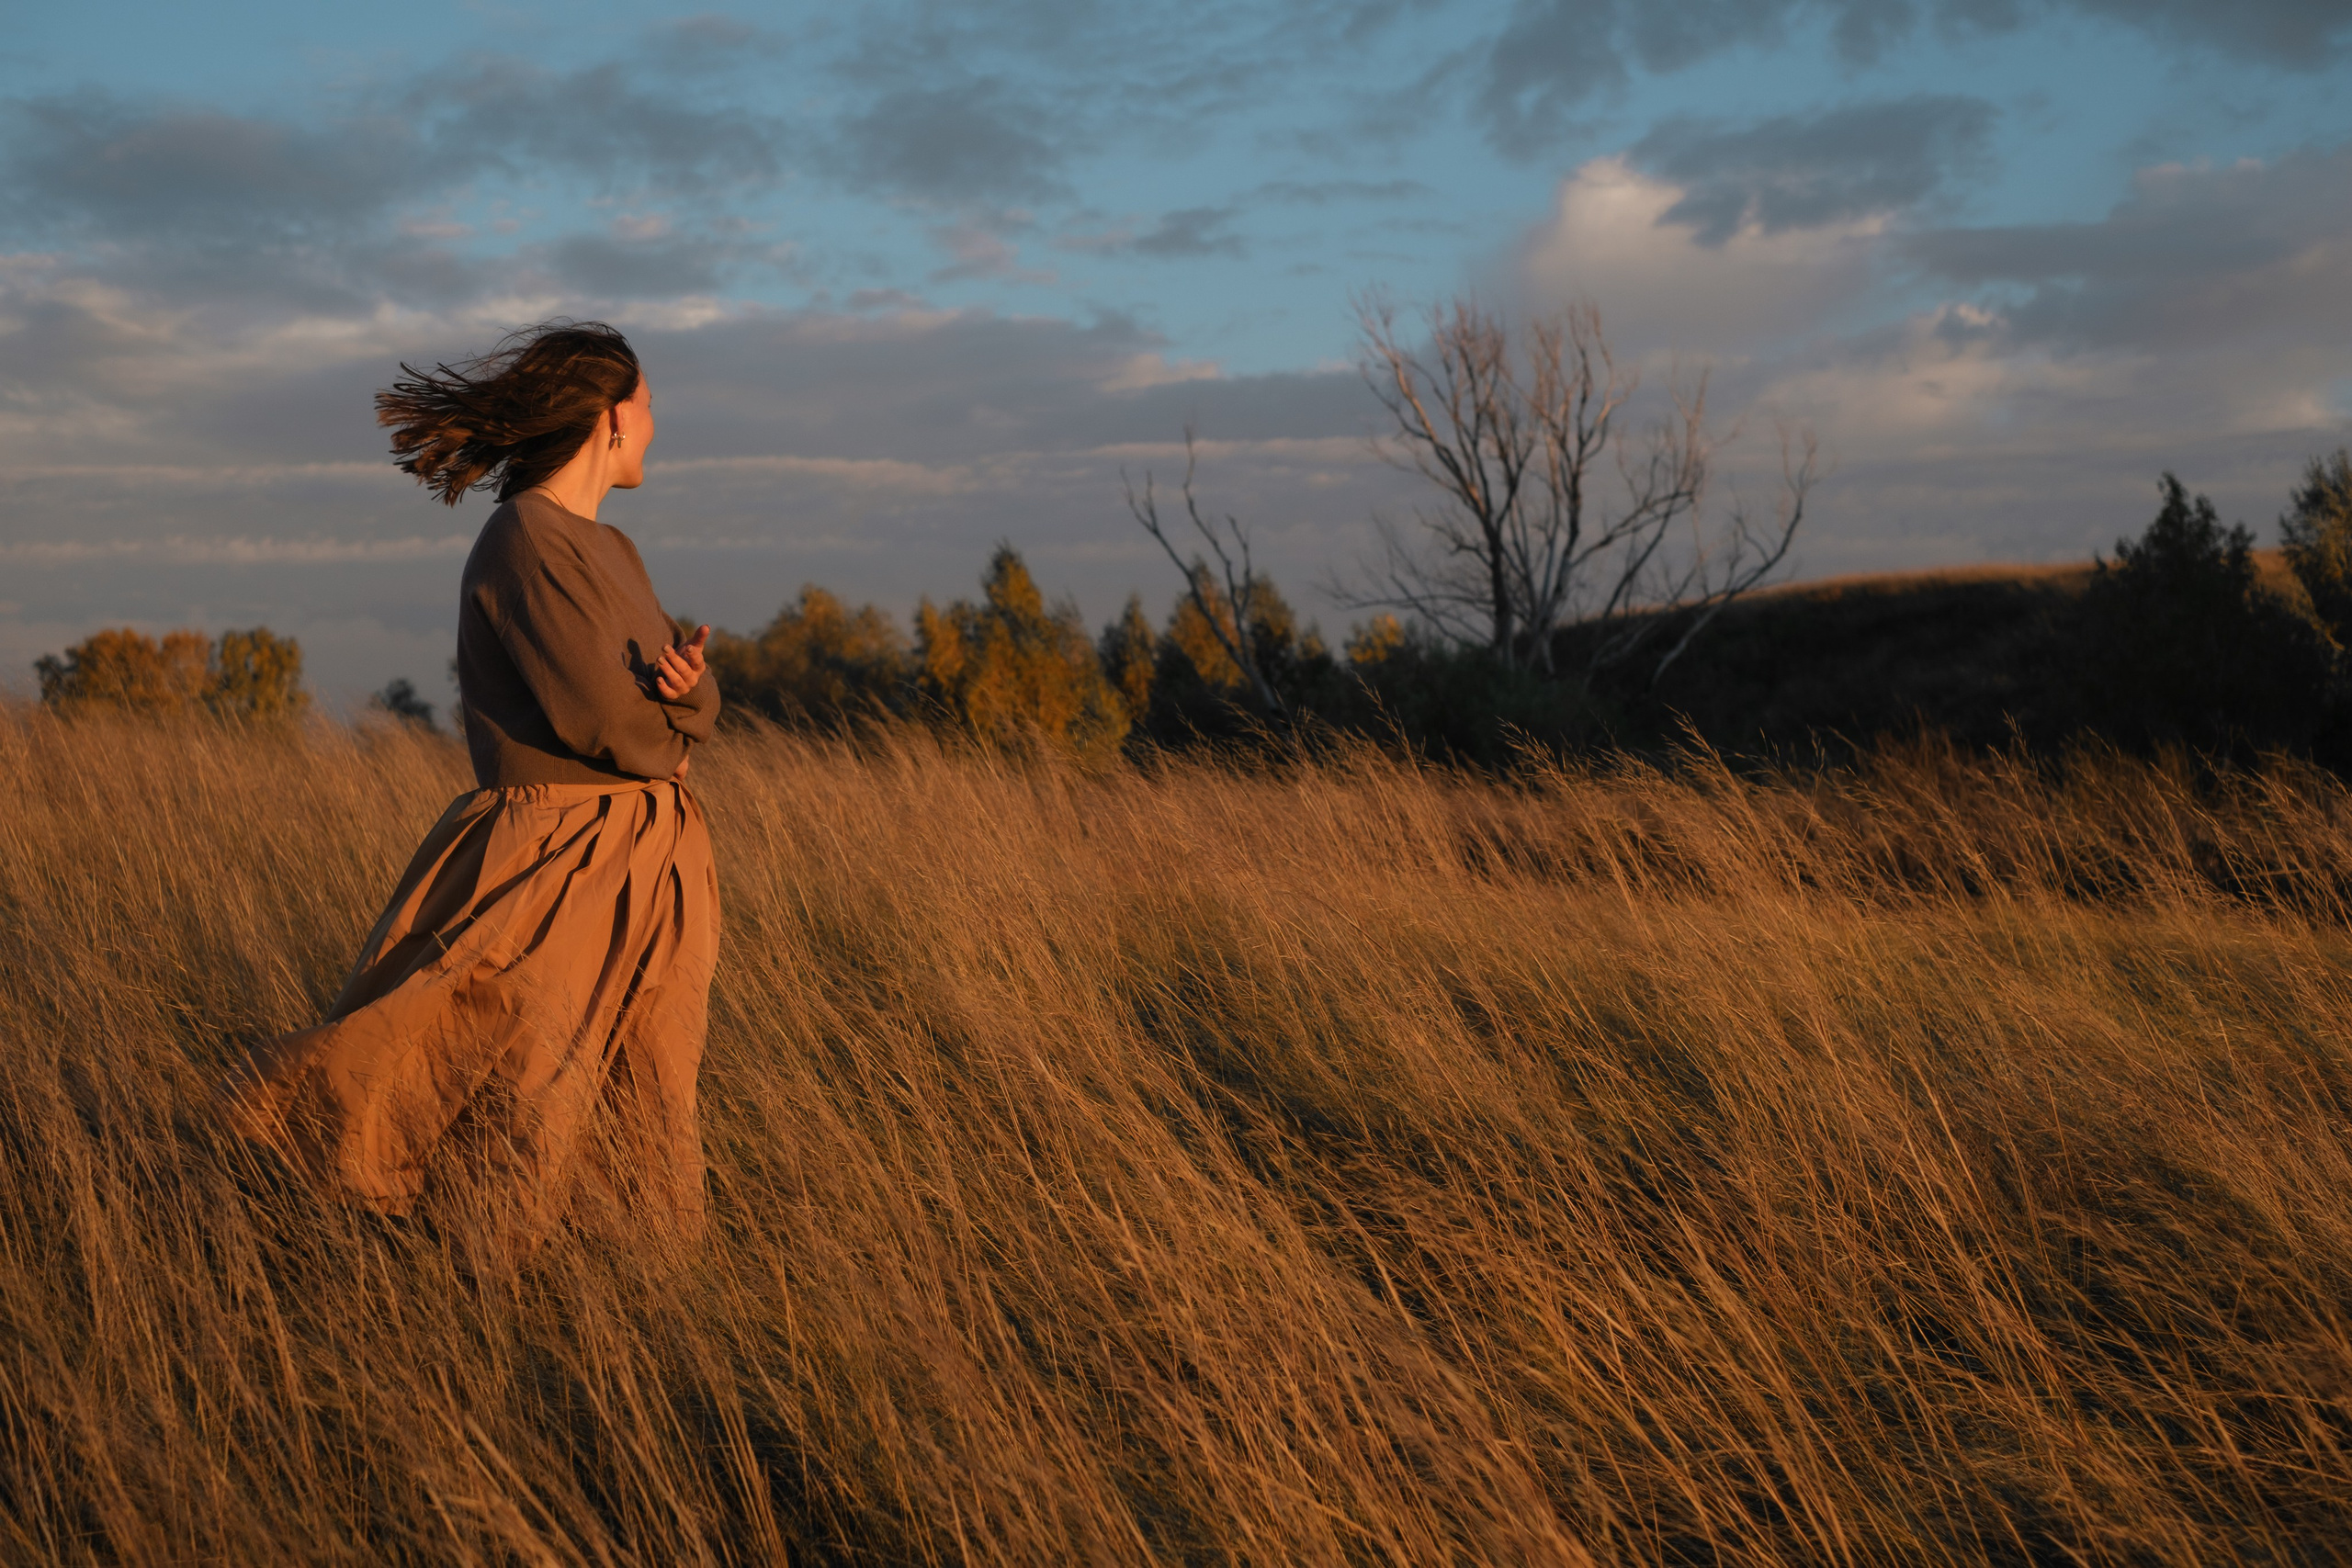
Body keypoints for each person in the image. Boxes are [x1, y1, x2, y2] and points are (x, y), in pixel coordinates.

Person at [223, 321, 720, 1247]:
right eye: (650, 408)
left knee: (648, 1085)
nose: (656, 426)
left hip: (652, 859)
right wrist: (670, 736)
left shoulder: (612, 552)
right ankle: (449, 1266)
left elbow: (690, 702)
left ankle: (629, 1285)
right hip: (561, 855)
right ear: (613, 420)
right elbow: (605, 722)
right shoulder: (523, 541)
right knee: (519, 1077)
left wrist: (686, 714)